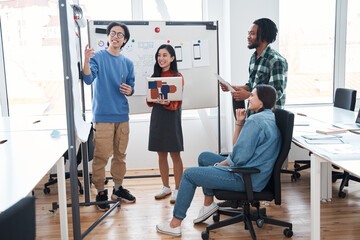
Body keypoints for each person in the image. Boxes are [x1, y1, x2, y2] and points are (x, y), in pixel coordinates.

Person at [156, 84, 281, 237]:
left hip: (245, 178)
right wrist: (239, 122)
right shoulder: (268, 116)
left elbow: (238, 158)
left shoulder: (256, 122)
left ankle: (174, 224)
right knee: (204, 157)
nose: (249, 97)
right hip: (253, 173)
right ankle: (208, 205)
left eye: (252, 96)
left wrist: (220, 165)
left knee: (189, 174)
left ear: (261, 102)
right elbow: (238, 150)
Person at [82, 22, 136, 211]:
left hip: (122, 116)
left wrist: (129, 90)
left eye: (120, 35)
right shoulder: (98, 57)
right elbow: (88, 79)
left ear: (125, 40)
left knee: (120, 155)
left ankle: (118, 189)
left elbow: (131, 88)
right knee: (101, 156)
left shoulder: (128, 63)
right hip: (103, 116)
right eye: (112, 33)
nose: (115, 36)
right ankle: (101, 191)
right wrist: (87, 61)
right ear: (108, 37)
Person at [220, 18, 288, 113]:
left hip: (268, 118)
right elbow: (252, 85)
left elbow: (276, 94)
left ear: (263, 36)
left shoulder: (276, 60)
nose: (248, 37)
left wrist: (248, 95)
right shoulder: (254, 58)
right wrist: (233, 87)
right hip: (253, 115)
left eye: (252, 34)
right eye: (249, 33)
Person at [147, 44, 184, 204]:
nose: (161, 58)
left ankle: (178, 189)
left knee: (175, 154)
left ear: (172, 58)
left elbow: (178, 102)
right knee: (160, 153)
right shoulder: (154, 76)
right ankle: (165, 187)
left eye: (164, 55)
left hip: (171, 116)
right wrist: (153, 99)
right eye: (159, 55)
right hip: (158, 116)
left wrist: (168, 102)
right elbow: (149, 100)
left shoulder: (178, 76)